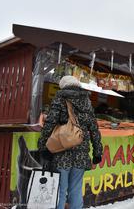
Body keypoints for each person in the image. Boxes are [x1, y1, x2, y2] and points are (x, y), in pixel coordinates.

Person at [38, 75, 103, 209]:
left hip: (62, 153)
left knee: (60, 190)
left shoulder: (60, 99)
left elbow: (49, 124)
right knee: (76, 190)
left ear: (63, 86)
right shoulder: (87, 102)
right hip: (81, 155)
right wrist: (97, 152)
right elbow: (94, 129)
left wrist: (43, 147)